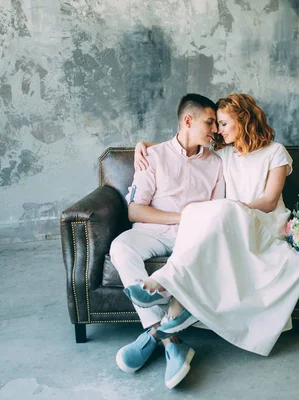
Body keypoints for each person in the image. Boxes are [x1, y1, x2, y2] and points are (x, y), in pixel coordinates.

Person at [126, 93, 299, 357]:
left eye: (223, 124)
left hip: (266, 223)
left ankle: (162, 286)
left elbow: (270, 201)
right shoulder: (224, 154)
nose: (217, 130)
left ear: (243, 120)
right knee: (199, 221)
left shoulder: (276, 152)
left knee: (220, 209)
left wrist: (234, 209)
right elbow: (182, 143)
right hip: (234, 223)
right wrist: (141, 144)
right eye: (216, 124)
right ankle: (169, 321)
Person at [109, 93, 225, 389]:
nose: (214, 129)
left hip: (194, 237)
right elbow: (135, 209)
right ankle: (170, 340)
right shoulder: (153, 155)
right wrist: (181, 217)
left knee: (196, 257)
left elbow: (217, 210)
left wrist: (192, 224)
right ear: (188, 120)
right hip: (153, 230)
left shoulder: (216, 162)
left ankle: (155, 337)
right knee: (121, 246)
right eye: (209, 122)